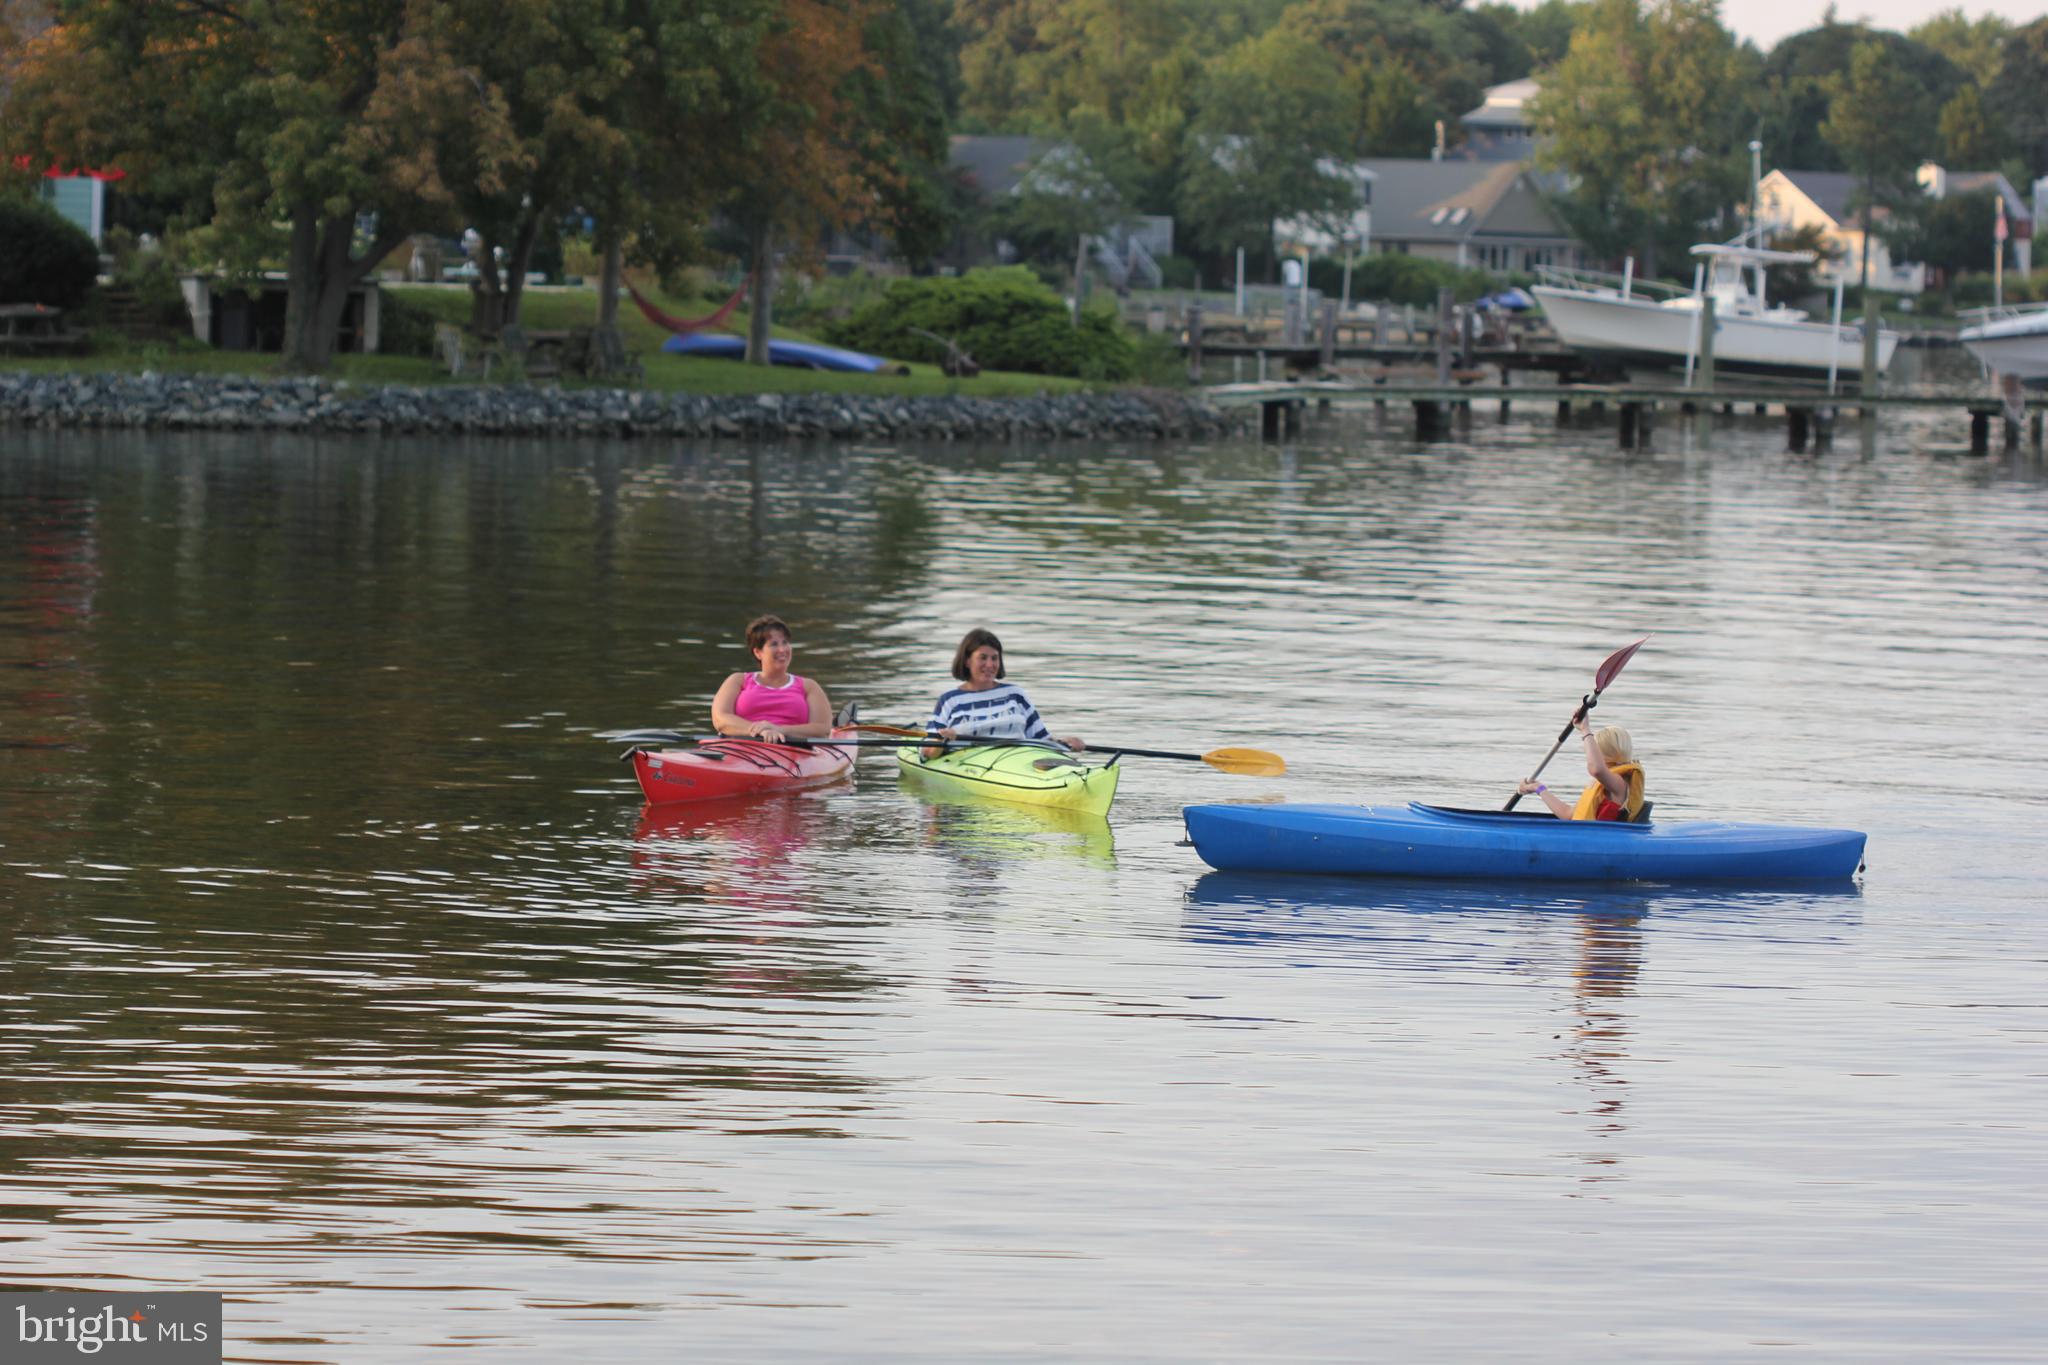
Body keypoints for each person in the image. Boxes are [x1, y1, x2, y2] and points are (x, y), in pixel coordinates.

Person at [922, 628, 1084, 758]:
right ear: (967, 661)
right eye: (983, 658)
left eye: (994, 658)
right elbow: (927, 753)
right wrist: (942, 739)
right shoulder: (950, 700)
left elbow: (1041, 739)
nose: (990, 664)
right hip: (969, 764)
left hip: (1018, 760)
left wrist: (1065, 743)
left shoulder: (1015, 695)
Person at [709, 615, 837, 745]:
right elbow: (720, 719)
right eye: (774, 644)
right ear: (758, 652)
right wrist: (759, 730)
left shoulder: (809, 686)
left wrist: (779, 730)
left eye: (785, 642)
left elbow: (822, 729)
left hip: (794, 750)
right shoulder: (737, 680)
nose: (782, 649)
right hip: (743, 748)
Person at [1517, 717, 1646, 821]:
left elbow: (1596, 769)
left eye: (1594, 749)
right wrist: (1538, 788)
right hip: (1586, 836)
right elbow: (1568, 814)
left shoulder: (1620, 784)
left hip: (1601, 840)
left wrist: (1585, 730)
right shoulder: (1602, 785)